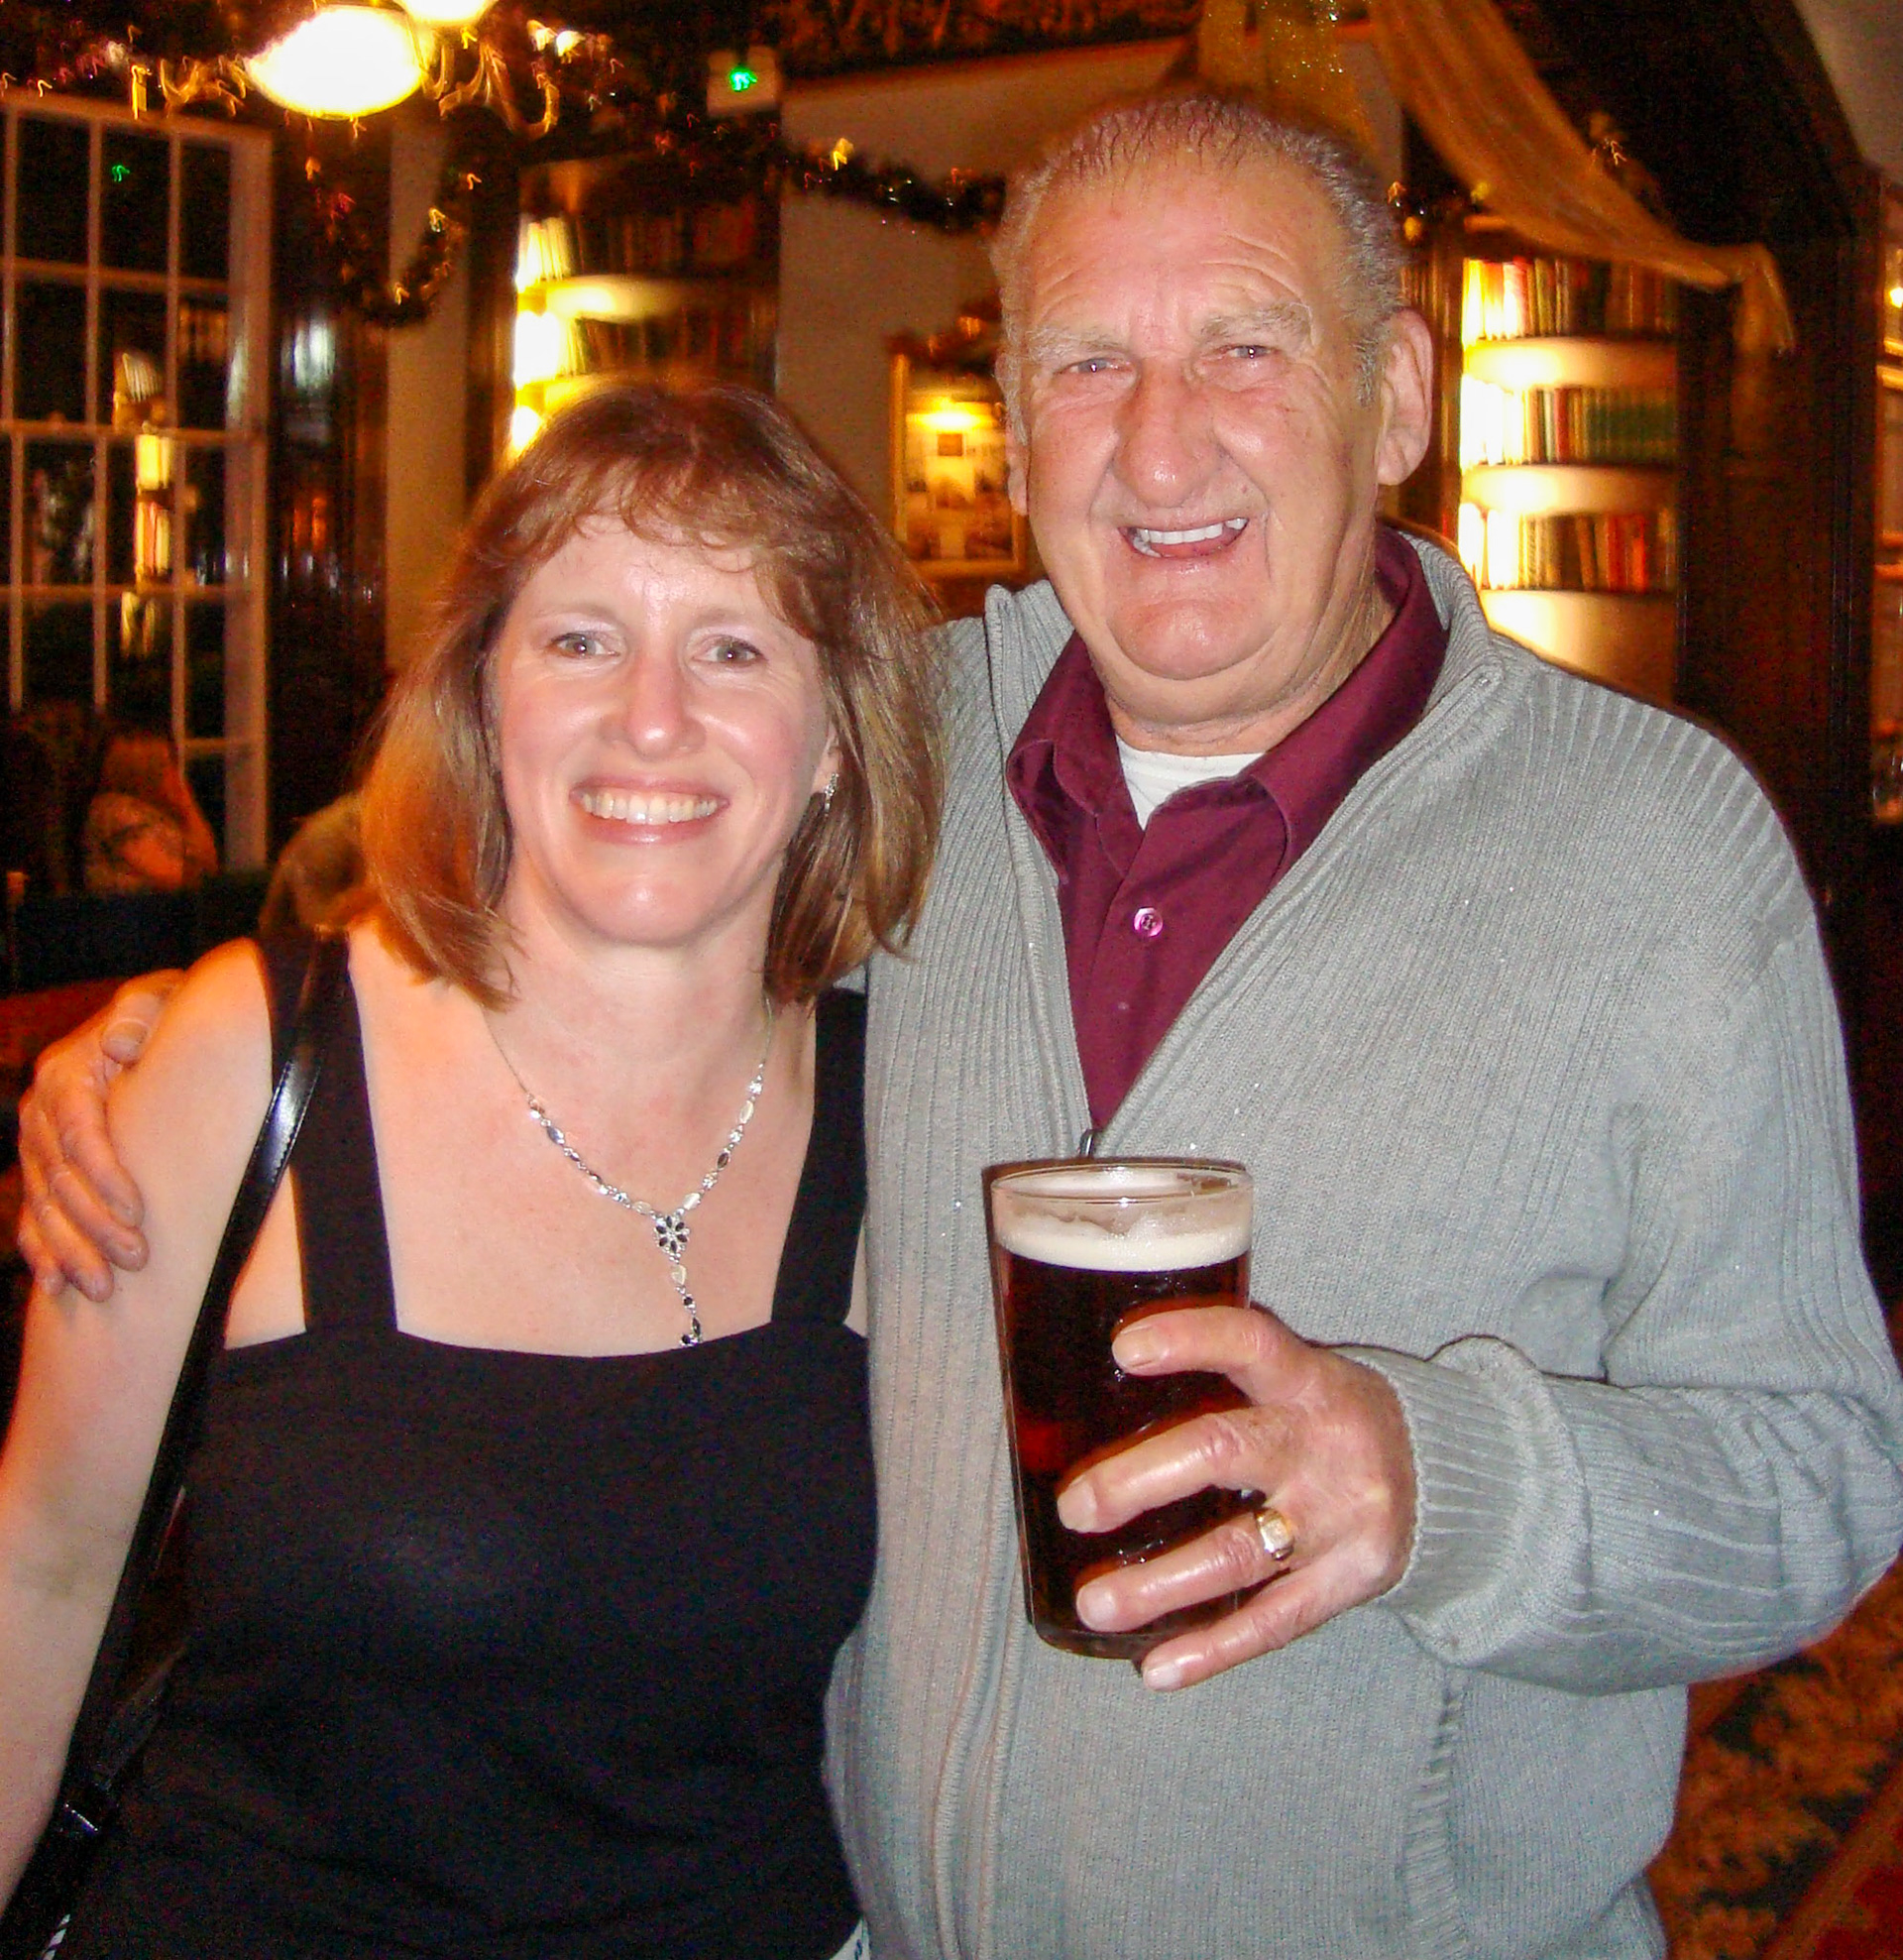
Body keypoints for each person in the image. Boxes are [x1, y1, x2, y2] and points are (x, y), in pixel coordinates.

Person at [21, 94, 1903, 1960]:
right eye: (1089, 362)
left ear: (1397, 395)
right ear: (1014, 430)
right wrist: (179, 1043)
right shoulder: (887, 760)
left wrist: (1442, 1482)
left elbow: (1821, 1468)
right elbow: (521, 851)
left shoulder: (1651, 851)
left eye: (1247, 343)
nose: (1162, 441)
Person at [1, 381, 940, 1958]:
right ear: (483, 695)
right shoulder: (252, 1058)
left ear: (840, 734)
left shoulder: (914, 1111)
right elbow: (37, 1573)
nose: (653, 716)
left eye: (734, 645)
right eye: (581, 638)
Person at [81, 723, 219, 895]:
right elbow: (174, 877)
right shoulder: (116, 812)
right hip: (132, 916)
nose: (174, 772)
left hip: (168, 913)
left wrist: (187, 807)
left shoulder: (162, 811)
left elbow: (210, 864)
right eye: (167, 765)